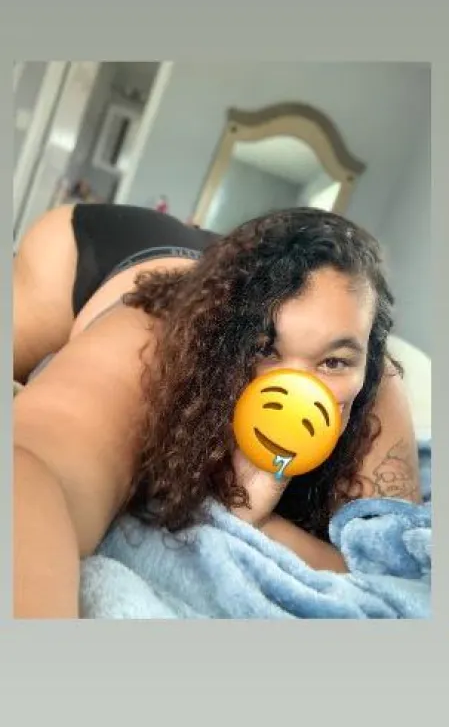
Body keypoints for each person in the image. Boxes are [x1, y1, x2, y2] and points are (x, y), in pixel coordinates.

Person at [13, 204, 421, 619]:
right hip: (109, 249)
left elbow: (400, 583)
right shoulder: (155, 336)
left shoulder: (371, 377)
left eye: (332, 363)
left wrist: (258, 520)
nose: (299, 390)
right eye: (264, 349)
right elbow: (33, 469)